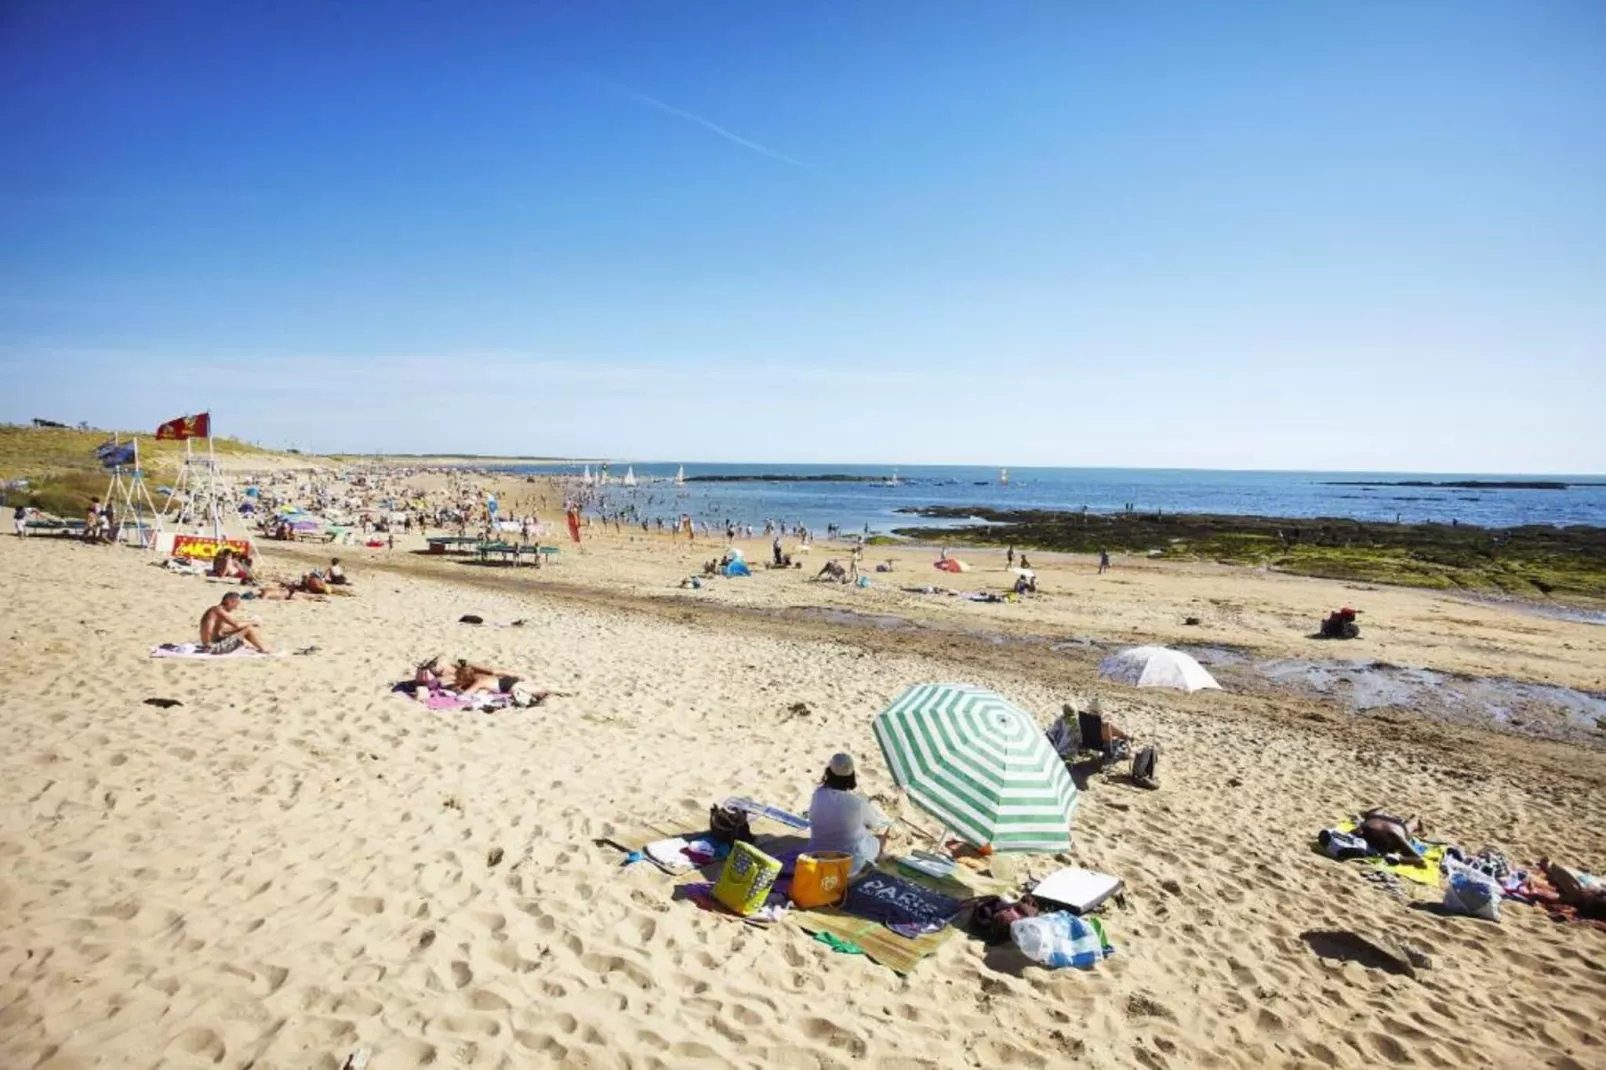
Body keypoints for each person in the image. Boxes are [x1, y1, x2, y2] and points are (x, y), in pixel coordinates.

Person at [807, 753, 893, 875]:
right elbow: (874, 823)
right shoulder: (857, 803)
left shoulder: (818, 794)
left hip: (815, 856)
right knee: (879, 839)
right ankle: (879, 855)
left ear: (828, 773)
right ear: (851, 776)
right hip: (849, 866)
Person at [199, 591, 270, 654]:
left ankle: (256, 646)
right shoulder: (219, 611)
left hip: (209, 644)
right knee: (248, 629)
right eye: (237, 603)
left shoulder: (214, 610)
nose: (237, 607)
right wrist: (253, 622)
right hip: (212, 647)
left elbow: (224, 630)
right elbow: (237, 625)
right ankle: (263, 649)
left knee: (242, 630)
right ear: (230, 602)